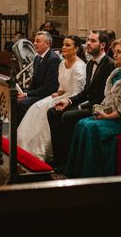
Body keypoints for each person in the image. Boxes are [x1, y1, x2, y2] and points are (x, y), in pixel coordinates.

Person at [64, 37, 121, 178]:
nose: (114, 55)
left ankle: (94, 175)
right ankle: (77, 172)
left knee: (92, 128)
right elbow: (110, 100)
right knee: (82, 124)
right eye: (114, 52)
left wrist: (107, 116)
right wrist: (103, 111)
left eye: (119, 52)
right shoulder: (117, 72)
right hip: (116, 116)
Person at [47, 30, 114, 170]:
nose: (88, 43)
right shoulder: (90, 63)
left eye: (92, 41)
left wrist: (79, 107)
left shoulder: (109, 65)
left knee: (67, 116)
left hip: (100, 106)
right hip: (88, 102)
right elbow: (86, 92)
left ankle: (69, 162)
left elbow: (103, 97)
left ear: (102, 45)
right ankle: (59, 158)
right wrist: (68, 101)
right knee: (52, 112)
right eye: (88, 40)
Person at [17, 35, 86, 161]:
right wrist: (58, 92)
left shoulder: (79, 66)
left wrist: (63, 98)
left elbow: (78, 91)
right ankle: (25, 147)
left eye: (68, 45)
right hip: (62, 94)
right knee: (36, 107)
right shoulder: (62, 63)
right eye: (63, 44)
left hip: (72, 98)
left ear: (76, 49)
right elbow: (62, 84)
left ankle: (41, 151)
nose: (64, 47)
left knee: (46, 109)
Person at [16, 31, 61, 122]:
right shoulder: (37, 58)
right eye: (34, 41)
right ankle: (16, 131)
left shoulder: (53, 59)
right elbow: (34, 82)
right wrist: (25, 93)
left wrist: (27, 94)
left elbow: (49, 88)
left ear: (47, 43)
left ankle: (26, 128)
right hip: (39, 93)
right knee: (17, 99)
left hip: (48, 95)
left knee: (23, 103)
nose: (34, 43)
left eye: (38, 41)